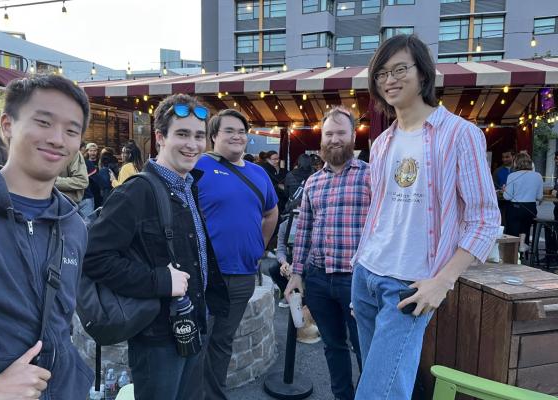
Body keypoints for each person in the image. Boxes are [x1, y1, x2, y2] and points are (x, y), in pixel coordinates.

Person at [350, 35, 499, 400]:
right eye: (381, 72)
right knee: (385, 387)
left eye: (400, 69)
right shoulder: (382, 142)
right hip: (367, 275)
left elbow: (484, 219)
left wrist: (443, 282)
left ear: (424, 73)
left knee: (376, 394)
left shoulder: (460, 134)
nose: (390, 79)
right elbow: (380, 213)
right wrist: (359, 265)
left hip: (410, 285)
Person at [83, 94, 229, 400]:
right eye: (183, 134)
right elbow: (93, 258)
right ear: (160, 137)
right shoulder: (136, 192)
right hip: (158, 337)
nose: (193, 144)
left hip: (194, 322)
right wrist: (160, 280)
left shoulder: (188, 185)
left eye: (199, 136)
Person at [0, 74, 94, 399]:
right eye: (44, 122)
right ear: (6, 125)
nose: (58, 139)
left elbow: (60, 322)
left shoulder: (73, 225)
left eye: (71, 130)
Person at [284, 106, 368, 400]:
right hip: (319, 280)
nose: (334, 139)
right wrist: (297, 274)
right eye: (328, 133)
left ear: (353, 135)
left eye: (340, 133)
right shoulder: (313, 182)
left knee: (364, 348)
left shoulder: (371, 176)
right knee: (333, 346)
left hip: (356, 281)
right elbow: (304, 230)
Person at [194, 109, 278, 399]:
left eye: (242, 131)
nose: (237, 136)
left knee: (222, 342)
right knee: (197, 342)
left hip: (242, 274)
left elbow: (271, 212)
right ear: (214, 136)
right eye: (229, 130)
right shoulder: (198, 167)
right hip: (204, 276)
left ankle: (214, 396)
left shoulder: (258, 172)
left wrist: (259, 248)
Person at [503, 152, 543, 253]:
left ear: (516, 163)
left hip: (515, 208)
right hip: (530, 208)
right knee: (525, 226)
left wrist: (504, 190)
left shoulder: (512, 176)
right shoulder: (538, 176)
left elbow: (507, 197)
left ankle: (513, 252)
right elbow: (539, 197)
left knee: (513, 229)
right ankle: (522, 245)